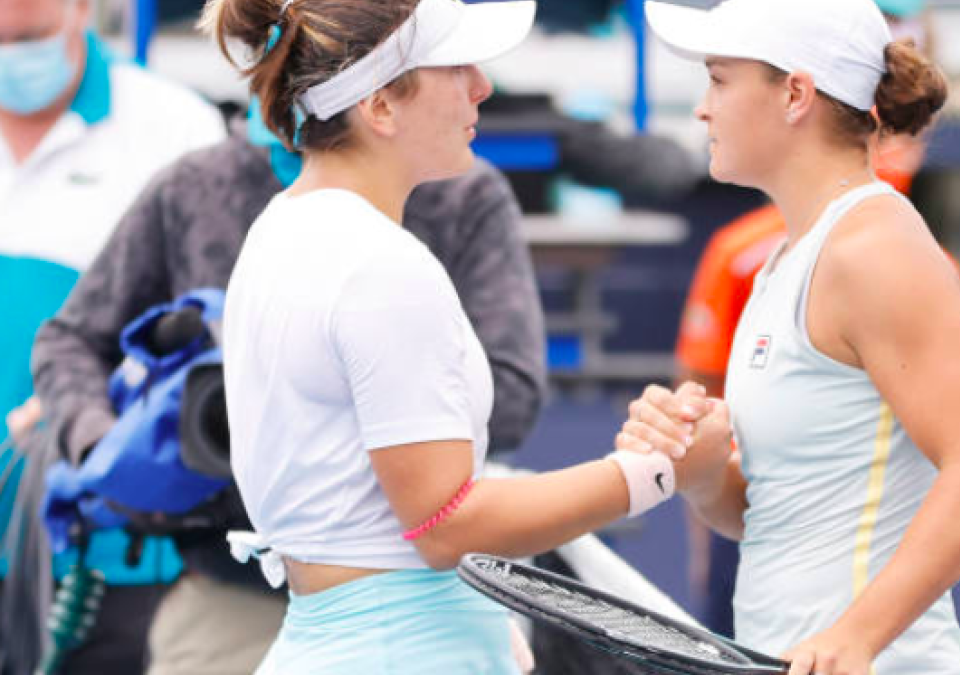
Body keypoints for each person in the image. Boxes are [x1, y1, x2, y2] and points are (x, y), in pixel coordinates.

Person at [201, 0, 710, 670]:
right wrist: (661, 470)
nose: (484, 87)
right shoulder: (378, 263)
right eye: (455, 67)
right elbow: (446, 521)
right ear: (379, 106)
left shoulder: (280, 229)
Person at [31, 93, 547, 671]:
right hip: (228, 589)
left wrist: (362, 410)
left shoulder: (460, 191)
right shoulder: (196, 187)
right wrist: (110, 447)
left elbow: (516, 389)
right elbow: (70, 339)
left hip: (417, 599)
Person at [621, 0, 960, 673]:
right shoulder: (788, 261)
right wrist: (699, 474)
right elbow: (782, 515)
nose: (702, 107)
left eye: (720, 79)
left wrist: (857, 636)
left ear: (795, 94)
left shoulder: (877, 248)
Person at [0, 0, 225, 668]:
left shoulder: (172, 130)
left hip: (110, 549)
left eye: (30, 36)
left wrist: (88, 401)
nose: (12, 53)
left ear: (81, 10)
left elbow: (212, 329)